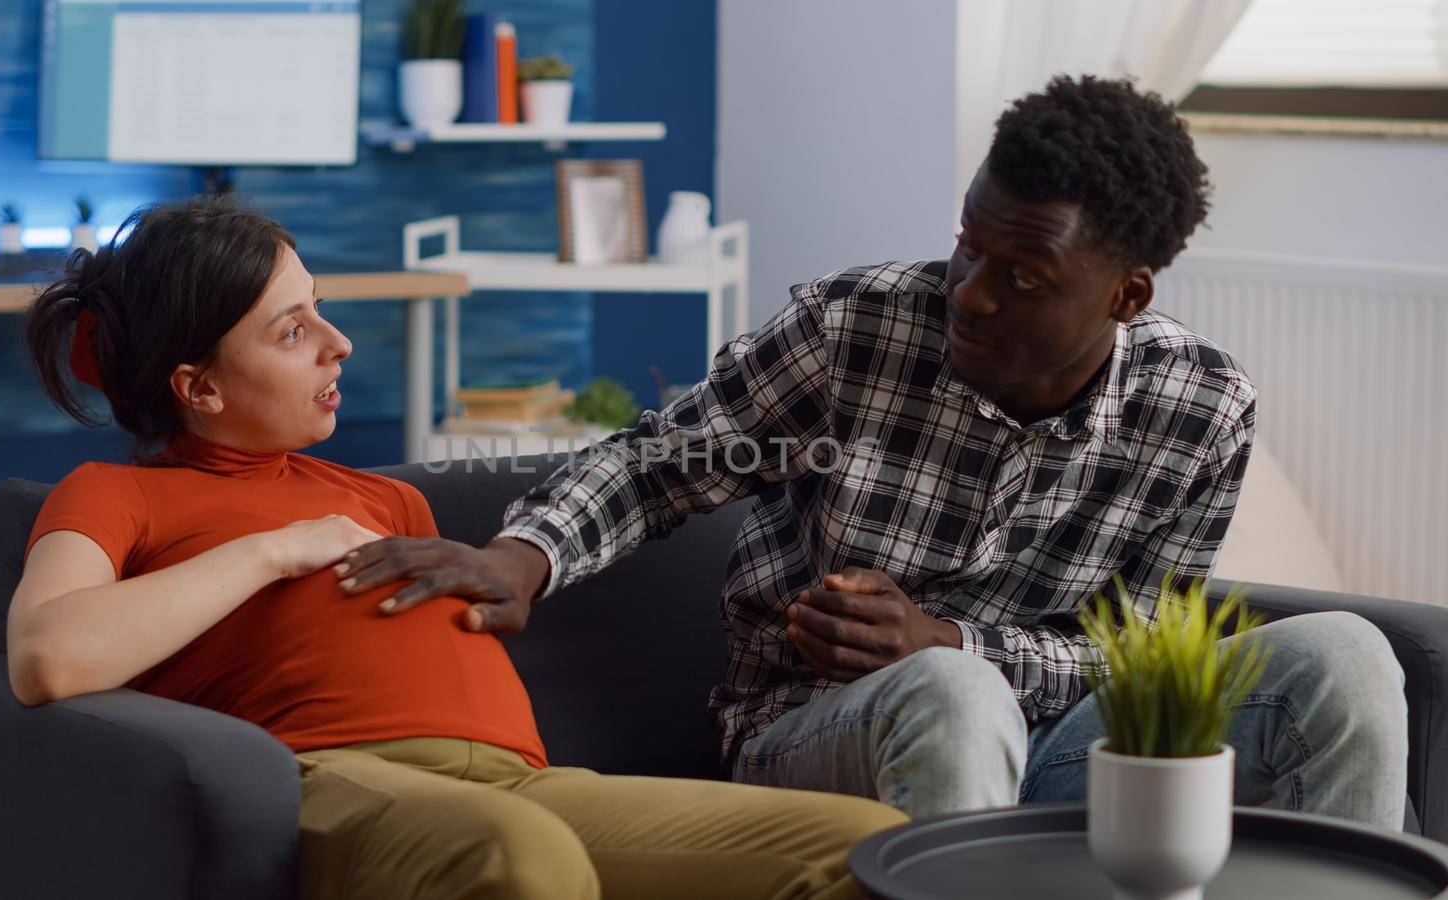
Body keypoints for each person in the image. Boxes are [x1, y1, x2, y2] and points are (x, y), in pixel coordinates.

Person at [345, 75, 1409, 828]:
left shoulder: (1199, 408)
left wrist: (951, 635)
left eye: (1023, 277)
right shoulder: (862, 328)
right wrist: (521, 555)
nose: (971, 294)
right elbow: (659, 461)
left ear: (1126, 296)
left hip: (1071, 750)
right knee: (950, 695)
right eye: (966, 245)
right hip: (811, 735)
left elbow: (1145, 650)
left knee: (1347, 659)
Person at [9, 197, 907, 900]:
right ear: (196, 386)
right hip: (335, 784)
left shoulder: (384, 499)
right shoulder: (114, 493)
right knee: (515, 856)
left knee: (867, 847)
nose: (338, 344)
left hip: (530, 787)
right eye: (293, 332)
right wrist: (276, 551)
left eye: (320, 311)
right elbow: (49, 657)